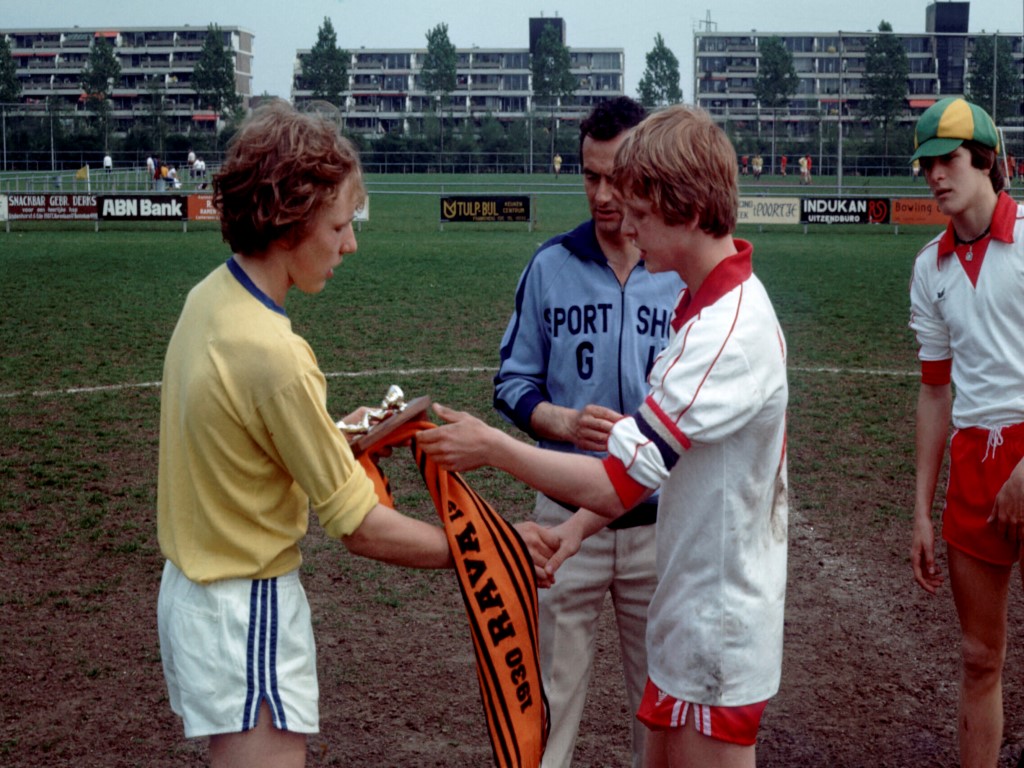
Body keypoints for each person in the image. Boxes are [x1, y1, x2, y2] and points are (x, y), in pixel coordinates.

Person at [420, 104, 789, 768]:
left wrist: (495, 449)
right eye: (596, 181)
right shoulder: (700, 307)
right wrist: (578, 526)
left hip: (714, 626)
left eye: (639, 208)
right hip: (690, 615)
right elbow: (651, 461)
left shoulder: (724, 333)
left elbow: (621, 481)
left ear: (684, 209)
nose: (623, 220)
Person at [156, 100, 459, 768]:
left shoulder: (209, 298)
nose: (350, 245)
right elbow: (359, 526)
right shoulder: (275, 352)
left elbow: (240, 441)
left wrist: (329, 433)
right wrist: (481, 552)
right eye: (340, 225)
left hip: (199, 597)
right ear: (290, 219)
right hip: (247, 609)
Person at [494, 95, 683, 768]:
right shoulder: (550, 265)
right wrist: (562, 421)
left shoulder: (679, 273)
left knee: (660, 711)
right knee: (548, 707)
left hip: (660, 525)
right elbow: (511, 382)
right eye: (590, 176)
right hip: (563, 521)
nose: (603, 195)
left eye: (617, 177)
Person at [908, 96, 1024, 768]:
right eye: (926, 165)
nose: (934, 176)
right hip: (974, 464)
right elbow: (934, 390)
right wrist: (921, 510)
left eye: (946, 160)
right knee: (980, 656)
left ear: (985, 159)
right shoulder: (931, 266)